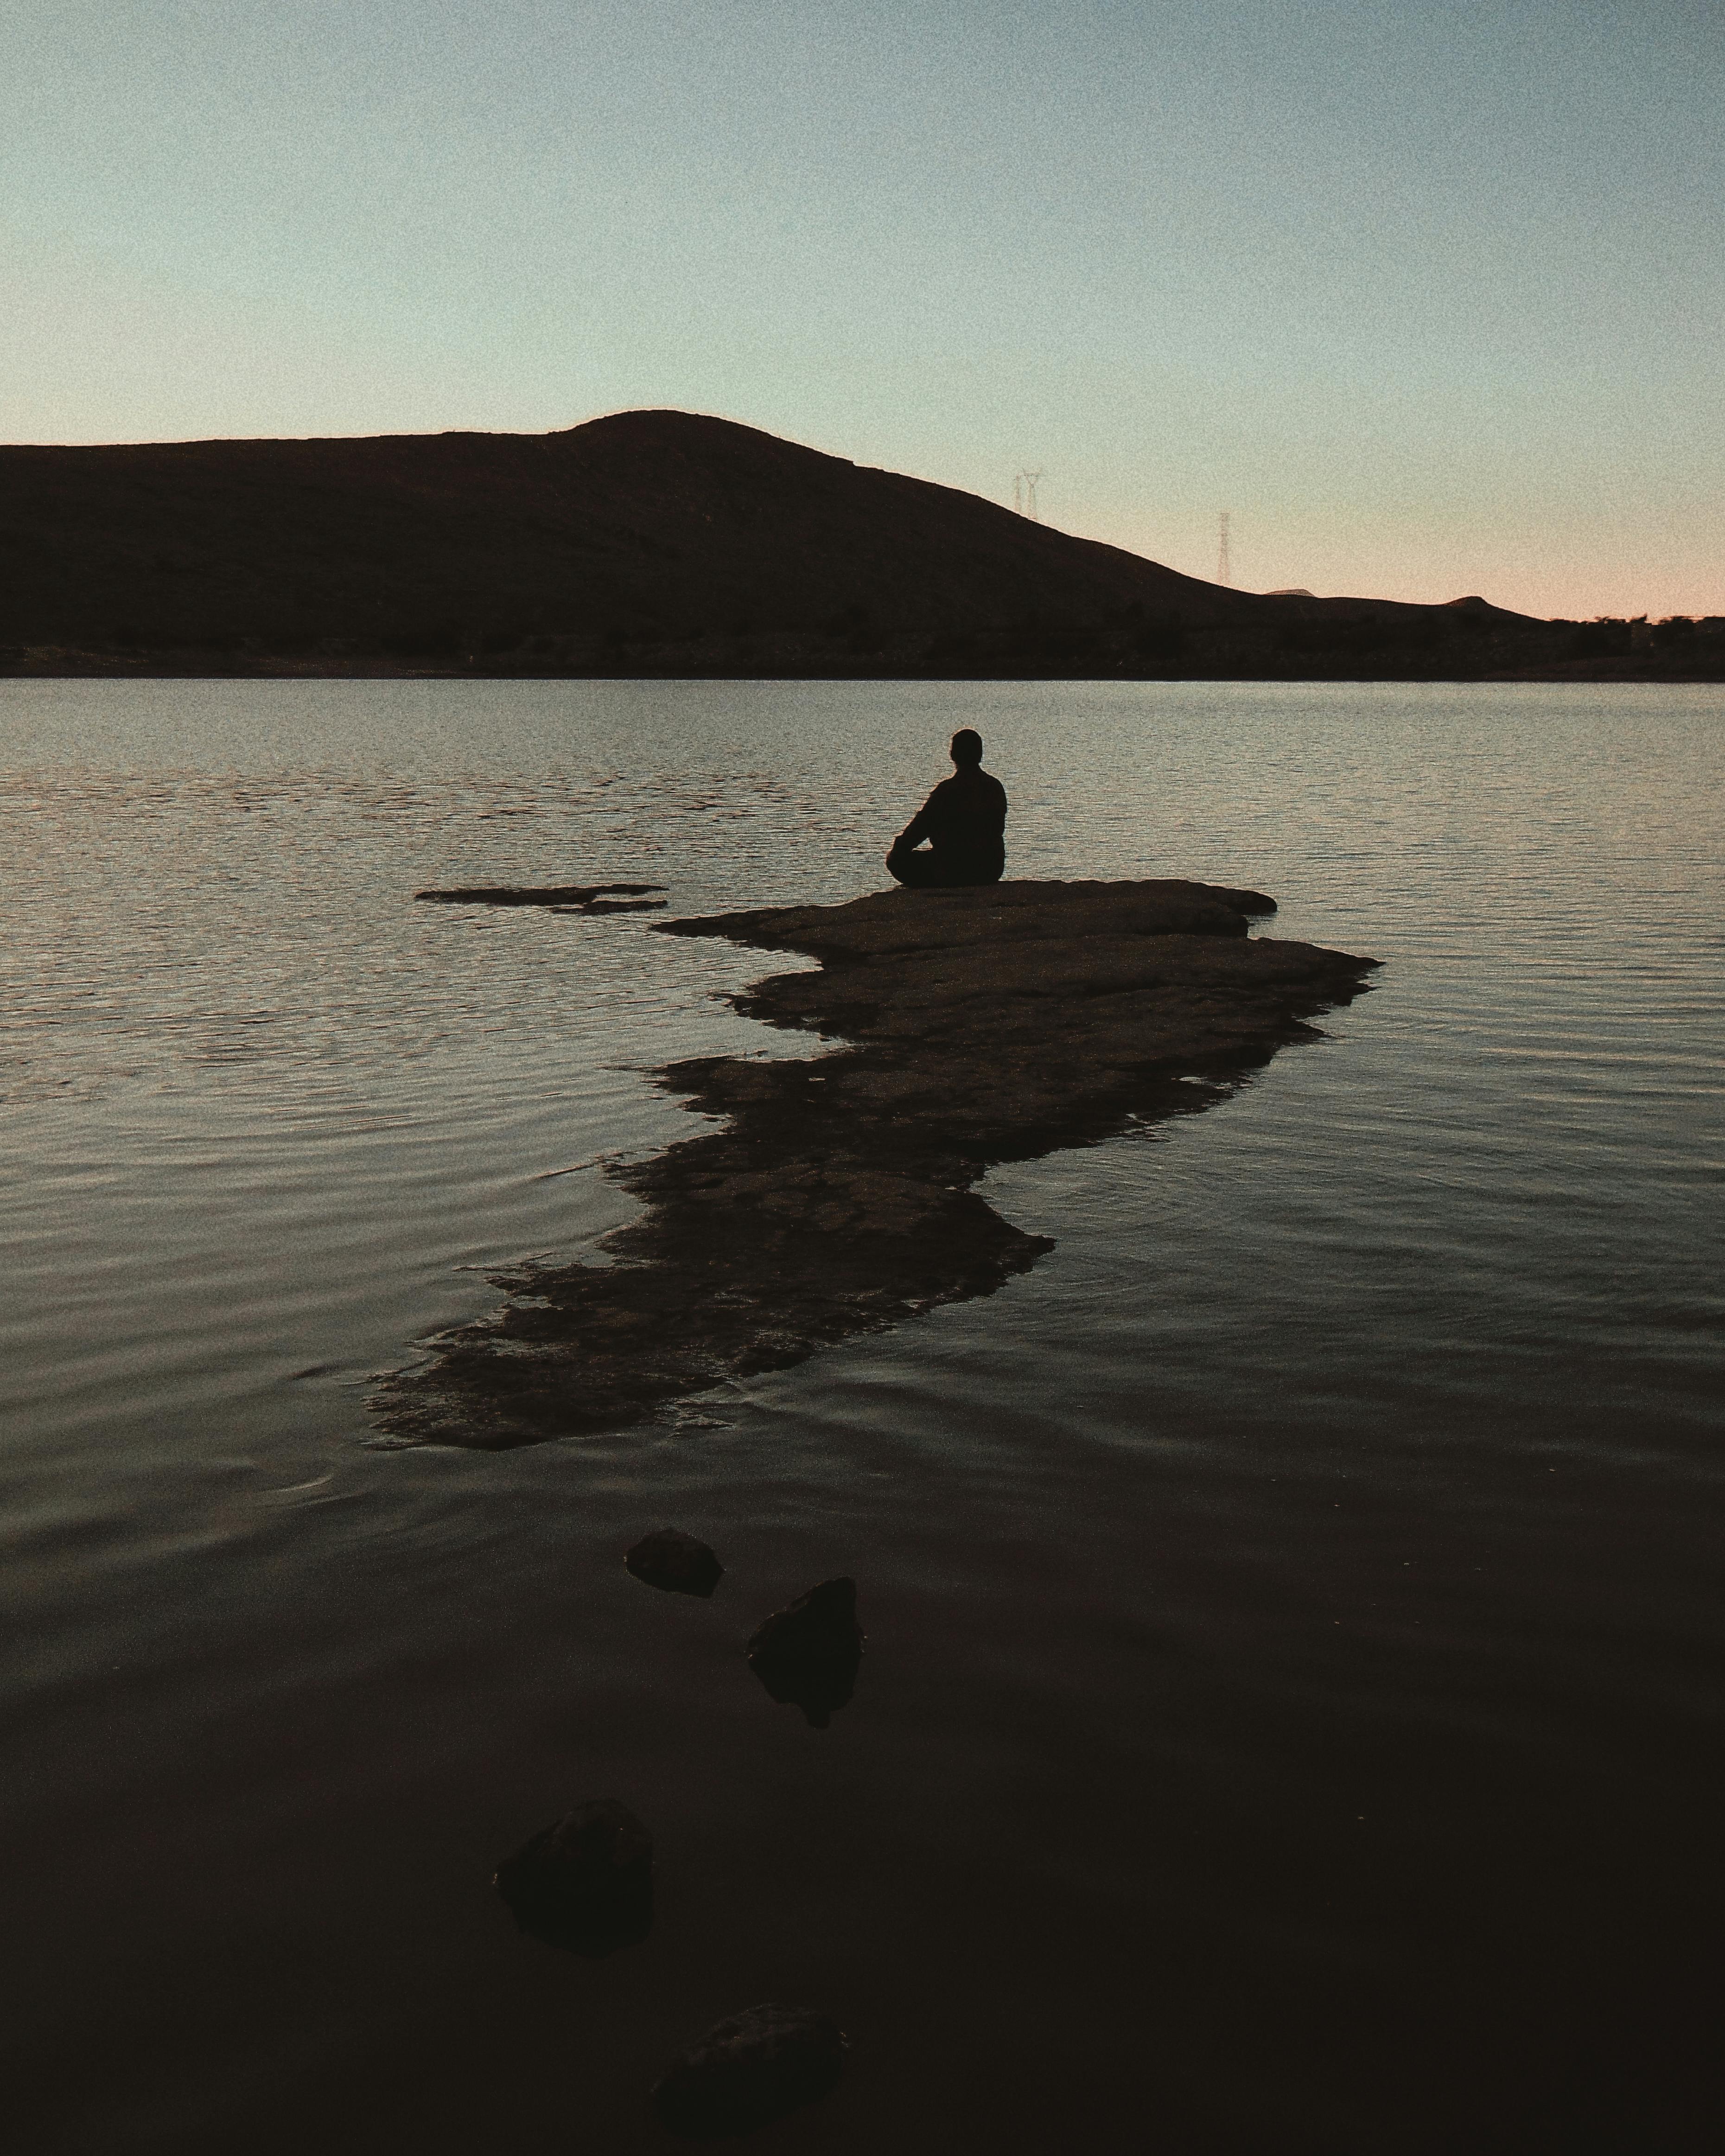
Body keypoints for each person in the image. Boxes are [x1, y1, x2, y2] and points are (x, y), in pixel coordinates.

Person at [886, 729, 1008, 887]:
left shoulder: (947, 791)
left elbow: (919, 829)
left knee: (896, 860)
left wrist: (898, 847)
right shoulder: (995, 787)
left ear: (953, 755)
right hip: (991, 868)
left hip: (952, 867)